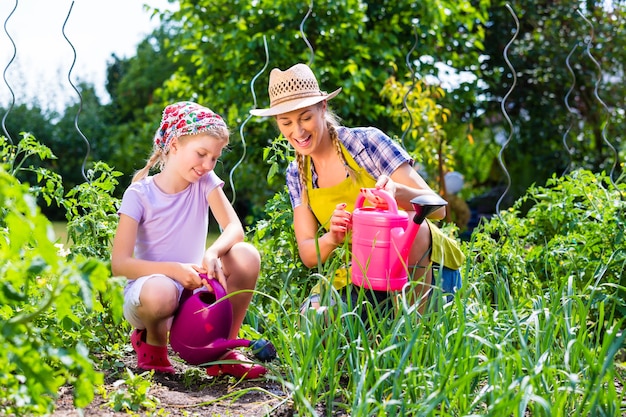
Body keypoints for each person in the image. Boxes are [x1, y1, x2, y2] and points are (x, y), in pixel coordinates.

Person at [250, 63, 465, 315]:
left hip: (424, 269)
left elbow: (437, 209)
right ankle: (380, 326)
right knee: (312, 320)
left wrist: (397, 193)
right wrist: (332, 237)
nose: (297, 131)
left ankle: (416, 332)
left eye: (306, 118)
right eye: (286, 122)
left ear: (323, 107)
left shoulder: (366, 143)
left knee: (407, 223)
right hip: (359, 273)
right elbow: (309, 253)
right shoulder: (298, 172)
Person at [111, 101, 267, 378]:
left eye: (214, 158)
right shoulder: (139, 194)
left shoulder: (204, 182)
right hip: (149, 294)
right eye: (201, 154)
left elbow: (234, 227)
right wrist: (173, 270)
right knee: (162, 291)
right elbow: (120, 264)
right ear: (174, 145)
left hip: (192, 289)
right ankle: (153, 344)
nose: (207, 165)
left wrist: (213, 253)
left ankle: (223, 349)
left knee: (247, 256)